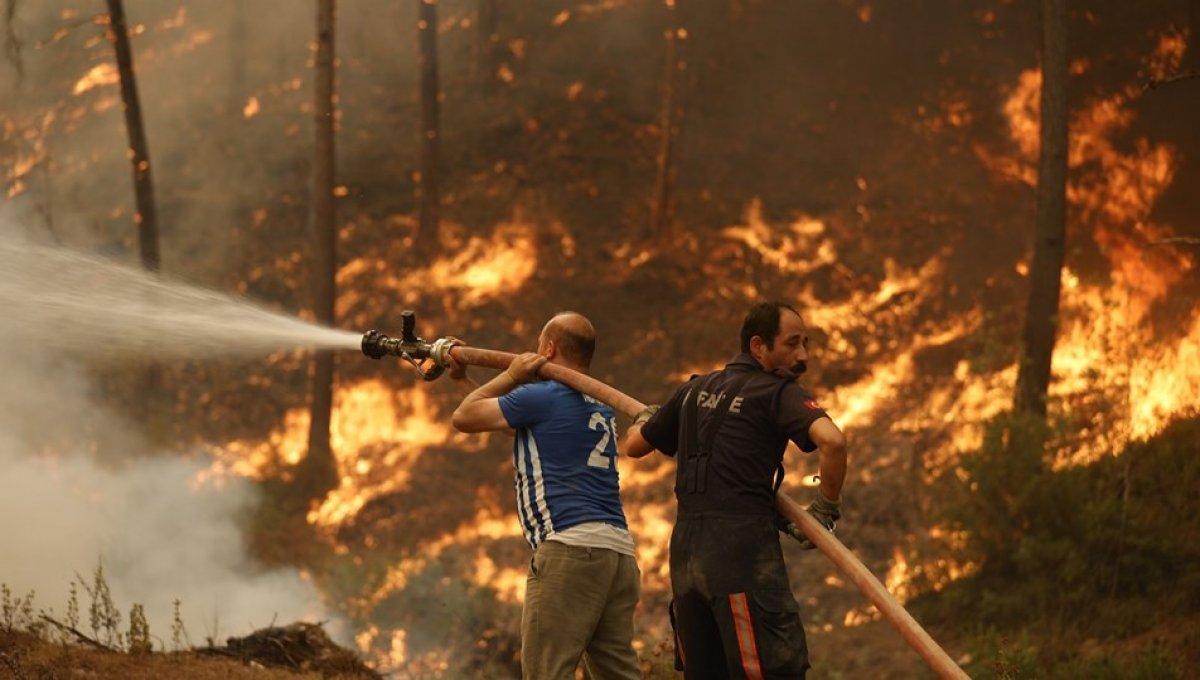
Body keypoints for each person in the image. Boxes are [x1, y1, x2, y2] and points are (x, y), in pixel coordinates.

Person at [619, 301, 848, 679]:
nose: (802, 356)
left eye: (805, 344)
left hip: (687, 557)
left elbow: (634, 446)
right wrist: (825, 509)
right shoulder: (777, 391)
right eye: (792, 344)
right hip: (742, 557)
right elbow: (834, 442)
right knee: (769, 670)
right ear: (758, 346)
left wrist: (649, 418)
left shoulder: (692, 391)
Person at [450, 312, 642, 680]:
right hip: (618, 556)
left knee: (545, 672)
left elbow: (463, 418)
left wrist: (510, 375)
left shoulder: (541, 396)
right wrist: (463, 380)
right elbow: (507, 425)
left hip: (570, 551)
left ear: (549, 348)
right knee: (618, 674)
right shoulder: (598, 408)